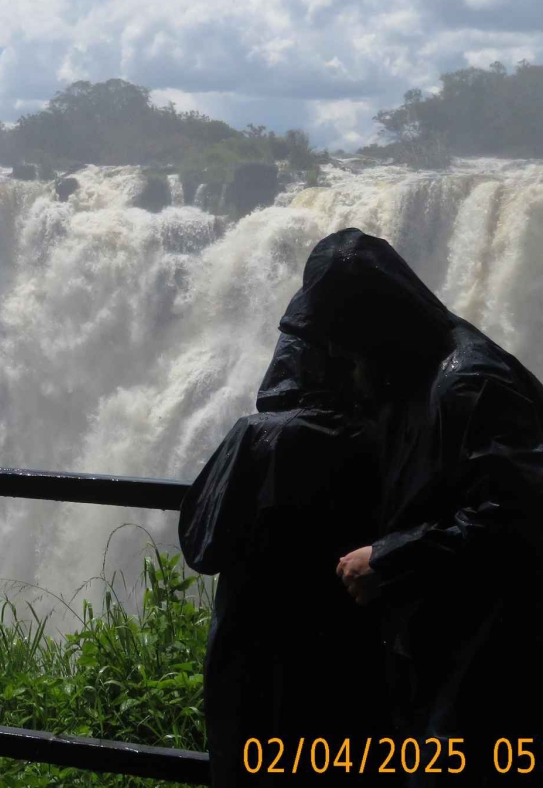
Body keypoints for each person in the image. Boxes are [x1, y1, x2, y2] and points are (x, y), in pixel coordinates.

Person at [281, 228, 543, 786]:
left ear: (374, 323)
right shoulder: (410, 371)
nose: (337, 351)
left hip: (501, 674)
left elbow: (521, 518)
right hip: (450, 657)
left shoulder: (471, 382)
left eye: (344, 335)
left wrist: (388, 560)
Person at [179, 332, 397, 786]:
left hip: (251, 659)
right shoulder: (381, 440)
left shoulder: (254, 436)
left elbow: (201, 544)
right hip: (344, 664)